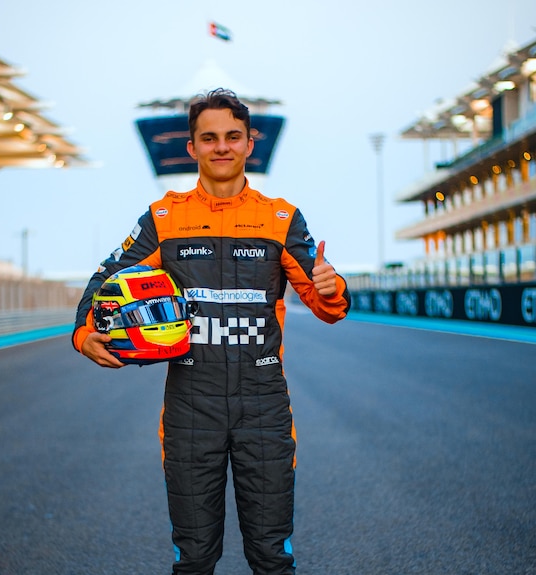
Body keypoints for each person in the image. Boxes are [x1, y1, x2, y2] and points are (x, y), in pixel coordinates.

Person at [72, 88, 350, 575]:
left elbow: (329, 306)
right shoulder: (164, 217)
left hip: (262, 402)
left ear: (248, 145)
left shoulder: (281, 218)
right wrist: (84, 332)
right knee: (194, 558)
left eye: (232, 137)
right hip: (189, 402)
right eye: (210, 138)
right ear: (193, 148)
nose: (221, 147)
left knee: (271, 555)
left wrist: (330, 285)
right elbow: (104, 280)